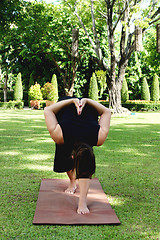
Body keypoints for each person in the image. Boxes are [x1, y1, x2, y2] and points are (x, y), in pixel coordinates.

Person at [44, 97, 111, 214]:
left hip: (87, 109)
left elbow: (107, 112)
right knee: (62, 159)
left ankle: (82, 200)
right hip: (65, 108)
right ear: (72, 157)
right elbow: (48, 110)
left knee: (83, 160)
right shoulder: (59, 134)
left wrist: (87, 101)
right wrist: (73, 101)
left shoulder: (98, 137)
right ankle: (72, 182)